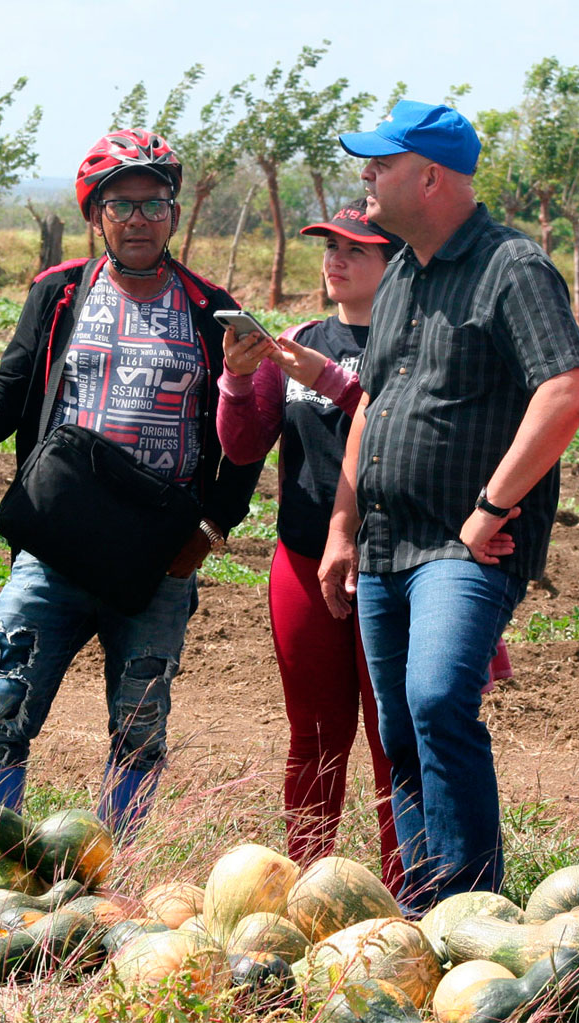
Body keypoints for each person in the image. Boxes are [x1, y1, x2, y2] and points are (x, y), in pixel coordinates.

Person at [318, 101, 579, 911]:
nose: (365, 175)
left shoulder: (513, 267)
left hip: (461, 546)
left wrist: (490, 507)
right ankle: (426, 909)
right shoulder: (402, 268)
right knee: (401, 729)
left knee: (438, 698)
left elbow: (567, 391)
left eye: (381, 163)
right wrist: (341, 526)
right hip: (384, 542)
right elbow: (372, 398)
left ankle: (477, 910)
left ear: (429, 176)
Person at [0, 129, 262, 842]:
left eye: (154, 205)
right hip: (55, 544)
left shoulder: (211, 310)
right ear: (96, 214)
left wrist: (213, 527)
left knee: (140, 722)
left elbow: (246, 432)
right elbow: (14, 377)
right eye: (121, 206)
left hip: (156, 556)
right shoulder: (60, 292)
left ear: (174, 215)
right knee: (6, 699)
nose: (138, 221)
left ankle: (110, 869)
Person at [216, 200, 405, 892]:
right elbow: (241, 446)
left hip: (394, 564)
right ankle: (307, 885)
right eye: (330, 246)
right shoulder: (293, 340)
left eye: (356, 249)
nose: (336, 260)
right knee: (316, 736)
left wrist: (328, 376)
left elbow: (397, 424)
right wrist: (238, 377)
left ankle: (410, 894)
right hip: (300, 559)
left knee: (396, 740)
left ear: (395, 261)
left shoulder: (415, 343)